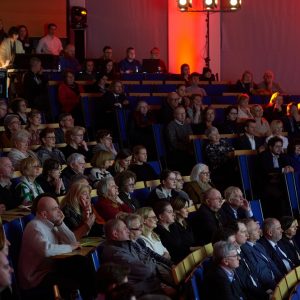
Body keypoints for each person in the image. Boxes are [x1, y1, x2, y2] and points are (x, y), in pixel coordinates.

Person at [18, 194, 95, 300]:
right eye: (55, 209)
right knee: (74, 282)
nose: (60, 211)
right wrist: (70, 247)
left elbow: (72, 240)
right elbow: (46, 250)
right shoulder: (35, 226)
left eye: (58, 207)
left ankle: (94, 296)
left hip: (51, 269)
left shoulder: (52, 224)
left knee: (82, 263)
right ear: (44, 214)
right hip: (36, 278)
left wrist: (60, 223)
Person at [101, 219, 163, 297]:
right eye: (124, 229)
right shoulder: (115, 253)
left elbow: (147, 259)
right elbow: (146, 270)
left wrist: (149, 260)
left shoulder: (126, 244)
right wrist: (152, 260)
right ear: (115, 234)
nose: (128, 231)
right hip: (143, 293)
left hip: (152, 284)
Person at [241, 218, 282, 290]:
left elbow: (272, 264)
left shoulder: (259, 245)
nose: (259, 231)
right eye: (255, 229)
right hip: (270, 288)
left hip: (278, 283)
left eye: (258, 228)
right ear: (246, 233)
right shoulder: (245, 249)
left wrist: (282, 280)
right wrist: (277, 287)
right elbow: (259, 272)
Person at [258, 136, 294, 217]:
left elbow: (287, 165)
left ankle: (290, 216)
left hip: (280, 182)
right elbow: (267, 169)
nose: (279, 149)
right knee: (281, 196)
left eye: (281, 146)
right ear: (270, 147)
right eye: (277, 146)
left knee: (291, 192)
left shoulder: (282, 155)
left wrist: (289, 167)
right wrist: (282, 170)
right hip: (267, 182)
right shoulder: (264, 155)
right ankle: (281, 218)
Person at [165, 106, 194, 174]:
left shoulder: (187, 124)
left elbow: (191, 137)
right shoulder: (171, 125)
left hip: (188, 150)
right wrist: (187, 149)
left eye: (184, 113)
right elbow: (173, 143)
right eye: (180, 113)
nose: (183, 115)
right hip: (177, 152)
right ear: (175, 115)